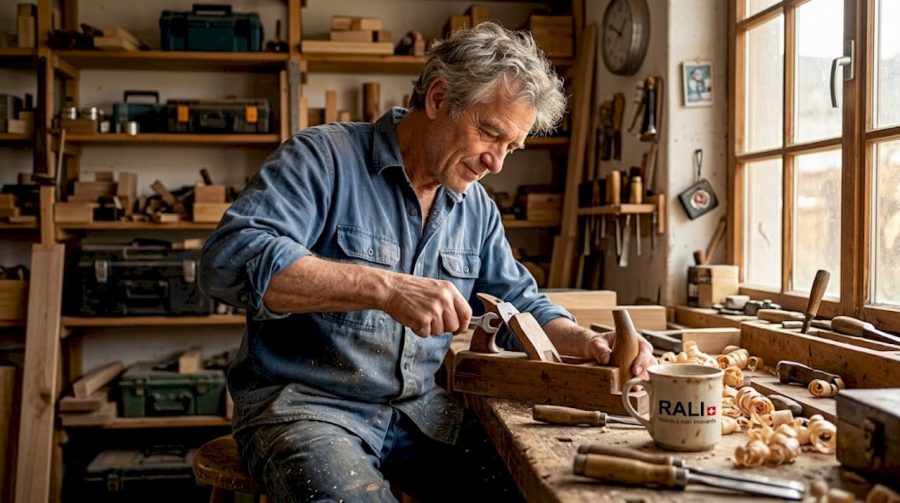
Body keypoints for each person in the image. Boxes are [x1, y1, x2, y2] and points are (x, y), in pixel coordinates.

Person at [200, 22, 655, 503]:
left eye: (511, 147)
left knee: (533, 485)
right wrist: (384, 288)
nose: (496, 163)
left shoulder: (474, 207)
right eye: (490, 133)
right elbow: (229, 259)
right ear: (438, 98)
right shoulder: (323, 158)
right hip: (306, 408)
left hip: (420, 414)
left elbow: (519, 304)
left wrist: (584, 341)